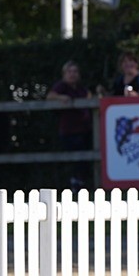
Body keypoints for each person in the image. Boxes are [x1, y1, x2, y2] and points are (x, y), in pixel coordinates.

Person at [45, 60, 93, 191]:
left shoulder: (80, 88)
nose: (72, 74)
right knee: (75, 159)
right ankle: (75, 184)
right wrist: (60, 97)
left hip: (84, 128)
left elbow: (89, 96)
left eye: (75, 71)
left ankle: (82, 183)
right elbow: (50, 96)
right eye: (69, 72)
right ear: (64, 74)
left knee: (85, 159)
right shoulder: (61, 86)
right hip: (69, 130)